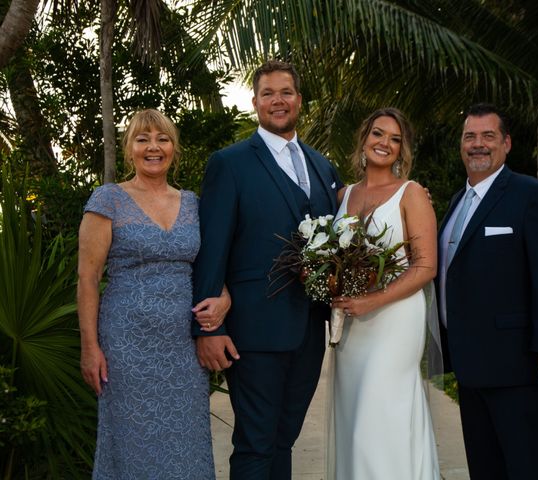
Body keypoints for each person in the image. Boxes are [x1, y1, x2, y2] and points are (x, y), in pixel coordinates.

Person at [192, 60, 343, 479]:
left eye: (287, 92)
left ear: (299, 100)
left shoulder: (322, 166)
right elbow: (213, 249)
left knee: (283, 439)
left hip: (310, 330)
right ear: (256, 102)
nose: (279, 101)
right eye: (269, 93)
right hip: (253, 330)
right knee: (256, 443)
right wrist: (208, 329)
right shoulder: (231, 163)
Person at [437, 103, 538, 479]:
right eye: (470, 137)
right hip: (469, 364)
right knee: (485, 467)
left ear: (507, 144)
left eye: (488, 136)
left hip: (514, 362)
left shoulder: (530, 194)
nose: (477, 144)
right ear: (461, 145)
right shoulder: (456, 202)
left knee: (524, 466)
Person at [77, 109, 215, 479]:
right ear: (129, 149)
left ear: (174, 148)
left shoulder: (193, 203)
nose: (153, 147)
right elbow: (88, 277)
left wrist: (224, 301)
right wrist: (90, 347)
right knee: (130, 439)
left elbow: (211, 267)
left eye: (162, 139)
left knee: (187, 438)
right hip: (126, 345)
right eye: (143, 139)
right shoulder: (108, 200)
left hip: (183, 345)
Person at [330, 108, 440, 479]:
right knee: (353, 416)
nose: (385, 144)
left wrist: (372, 300)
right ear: (364, 139)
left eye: (395, 139)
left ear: (402, 150)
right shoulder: (343, 195)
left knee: (378, 418)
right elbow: (331, 255)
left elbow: (425, 266)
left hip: (394, 320)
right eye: (378, 134)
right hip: (351, 327)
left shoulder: (412, 194)